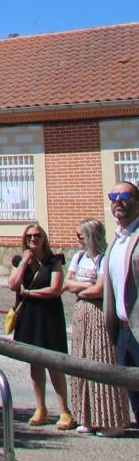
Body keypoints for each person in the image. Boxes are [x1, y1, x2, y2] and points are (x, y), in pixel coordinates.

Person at [64, 217, 130, 434]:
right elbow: (67, 283)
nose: (78, 239)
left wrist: (80, 288)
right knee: (82, 360)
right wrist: (85, 286)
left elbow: (99, 289)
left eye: (81, 235)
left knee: (101, 359)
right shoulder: (79, 257)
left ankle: (111, 420)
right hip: (82, 313)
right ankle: (88, 416)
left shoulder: (103, 258)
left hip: (99, 313)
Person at [8, 223, 71, 427]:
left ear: (44, 237)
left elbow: (55, 289)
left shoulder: (54, 260)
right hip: (29, 316)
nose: (33, 239)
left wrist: (30, 293)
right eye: (29, 237)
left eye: (37, 236)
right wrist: (25, 262)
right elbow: (13, 285)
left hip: (49, 314)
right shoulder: (20, 260)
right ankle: (40, 408)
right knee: (35, 363)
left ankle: (64, 410)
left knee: (54, 362)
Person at [102, 180, 139, 428]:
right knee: (135, 399)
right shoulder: (116, 241)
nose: (118, 201)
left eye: (124, 195)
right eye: (113, 195)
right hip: (123, 332)